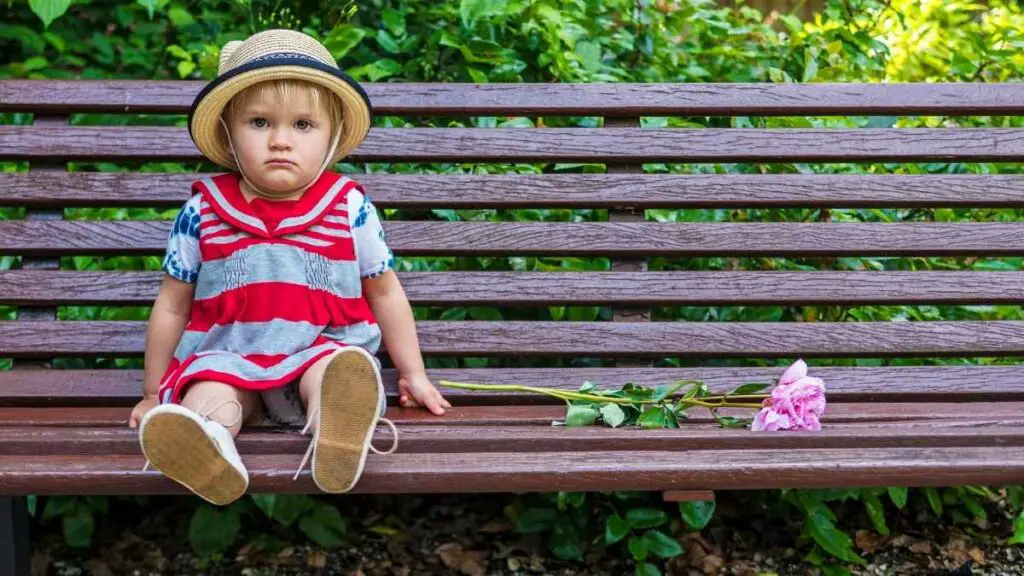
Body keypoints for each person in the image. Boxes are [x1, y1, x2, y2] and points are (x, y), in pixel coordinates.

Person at [126, 28, 451, 506]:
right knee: (210, 393)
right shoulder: (203, 212)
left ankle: (336, 430)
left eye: (302, 125)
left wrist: (414, 373)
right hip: (231, 359)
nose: (280, 141)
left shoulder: (349, 208)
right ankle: (210, 446)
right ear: (229, 133)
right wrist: (155, 392)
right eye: (259, 123)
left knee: (340, 373)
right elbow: (173, 306)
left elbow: (384, 293)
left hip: (320, 352)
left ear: (331, 134)